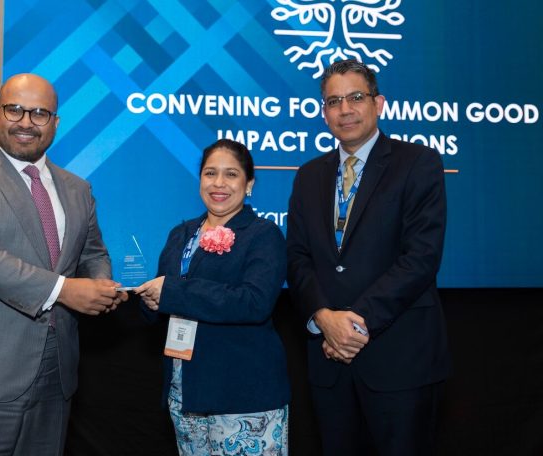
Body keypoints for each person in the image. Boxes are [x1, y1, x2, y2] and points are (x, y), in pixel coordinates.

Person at [0, 73, 128, 455]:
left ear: (55, 122)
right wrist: (65, 290)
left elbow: (92, 254)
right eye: (15, 109)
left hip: (55, 376)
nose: (26, 122)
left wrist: (102, 286)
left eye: (39, 113)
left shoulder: (78, 189)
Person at [286, 59, 450, 455]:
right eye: (334, 101)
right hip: (329, 361)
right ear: (324, 113)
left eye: (355, 97)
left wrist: (353, 326)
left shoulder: (418, 163)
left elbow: (421, 257)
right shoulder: (309, 175)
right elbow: (297, 257)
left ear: (378, 103)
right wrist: (324, 318)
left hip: (399, 359)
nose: (345, 109)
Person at [136, 139, 290, 455]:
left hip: (241, 394)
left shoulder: (263, 235)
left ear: (249, 184)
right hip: (185, 392)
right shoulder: (181, 233)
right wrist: (149, 301)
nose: (218, 183)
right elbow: (165, 298)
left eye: (231, 174)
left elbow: (254, 302)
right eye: (210, 173)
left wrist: (172, 292)